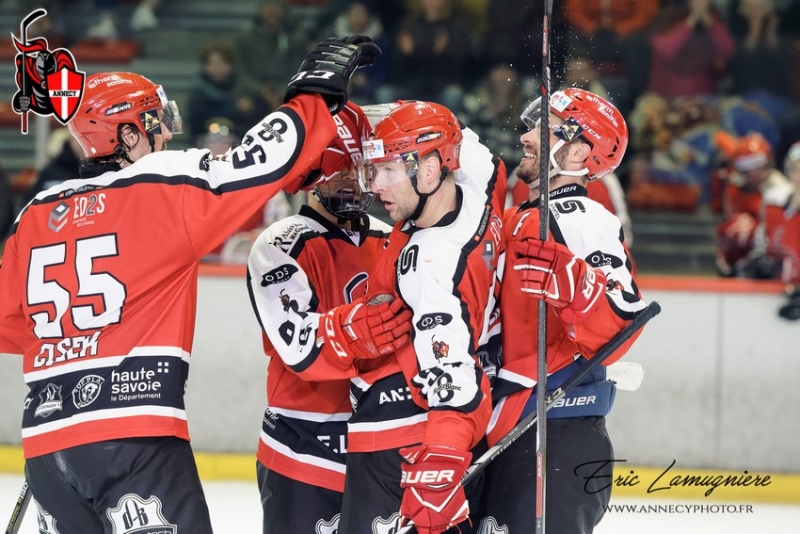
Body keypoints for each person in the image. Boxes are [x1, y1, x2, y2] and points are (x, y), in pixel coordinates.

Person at [0, 35, 381, 532]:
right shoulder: (156, 185)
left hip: (47, 446)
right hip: (133, 440)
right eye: (154, 123)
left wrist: (73, 344)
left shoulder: (36, 212)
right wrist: (314, 95)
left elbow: (10, 322)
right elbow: (259, 164)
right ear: (127, 135)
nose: (164, 136)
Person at [479, 87, 649, 533]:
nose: (527, 137)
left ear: (576, 151)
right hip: (514, 426)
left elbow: (621, 325)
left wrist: (579, 287)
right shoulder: (522, 215)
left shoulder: (578, 216)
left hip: (554, 431)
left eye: (544, 129)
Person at [336, 101, 507, 534]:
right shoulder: (482, 183)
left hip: (402, 442)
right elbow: (449, 126)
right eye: (375, 171)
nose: (376, 186)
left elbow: (452, 375)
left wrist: (440, 463)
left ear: (429, 171)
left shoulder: (427, 264)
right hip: (427, 431)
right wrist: (355, 110)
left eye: (390, 171)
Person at [245, 101, 405, 533]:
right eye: (337, 171)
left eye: (357, 170)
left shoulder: (392, 237)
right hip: (303, 446)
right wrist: (356, 330)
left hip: (376, 443)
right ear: (309, 175)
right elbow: (298, 343)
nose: (350, 183)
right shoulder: (280, 243)